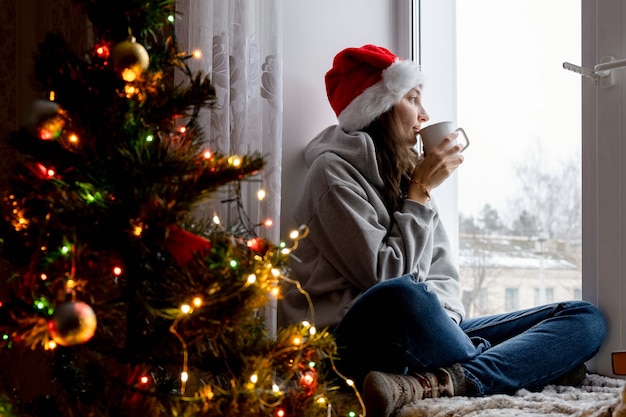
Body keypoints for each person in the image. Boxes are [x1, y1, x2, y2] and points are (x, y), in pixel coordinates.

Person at [278, 44, 607, 417]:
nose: (424, 114)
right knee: (400, 296)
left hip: (429, 335)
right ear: (379, 109)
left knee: (583, 317)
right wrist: (419, 193)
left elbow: (441, 280)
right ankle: (515, 369)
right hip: (348, 343)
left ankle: (448, 380)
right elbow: (386, 279)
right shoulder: (332, 174)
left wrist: (446, 328)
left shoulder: (406, 175)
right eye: (412, 99)